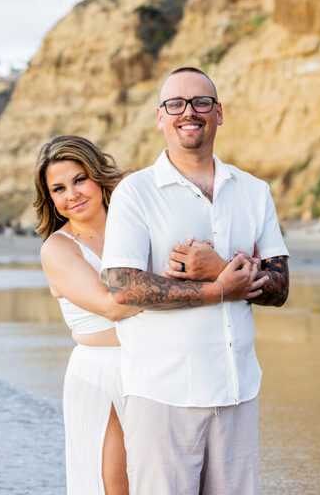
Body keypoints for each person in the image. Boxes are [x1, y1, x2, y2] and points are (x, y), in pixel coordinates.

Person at [101, 67, 290, 495]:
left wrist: (217, 266)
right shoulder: (136, 192)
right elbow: (125, 287)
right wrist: (221, 288)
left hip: (237, 389)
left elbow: (280, 286)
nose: (189, 112)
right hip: (162, 392)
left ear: (218, 113)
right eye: (176, 104)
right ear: (160, 117)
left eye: (201, 102)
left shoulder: (253, 190)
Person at [34, 135, 138, 495]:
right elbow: (112, 305)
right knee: (113, 483)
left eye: (80, 179)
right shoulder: (58, 249)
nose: (72, 195)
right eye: (58, 189)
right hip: (101, 374)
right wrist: (196, 289)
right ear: (50, 198)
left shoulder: (137, 225)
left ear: (98, 175)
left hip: (154, 362)